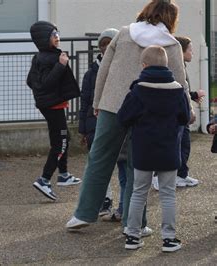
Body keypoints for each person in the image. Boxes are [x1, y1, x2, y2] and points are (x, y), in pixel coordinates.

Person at [66, 0, 193, 230]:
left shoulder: (124, 33)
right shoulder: (170, 44)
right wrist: (189, 111)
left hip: (112, 104)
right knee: (139, 166)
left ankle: (83, 213)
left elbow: (104, 69)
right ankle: (134, 224)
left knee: (99, 157)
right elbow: (180, 83)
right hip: (149, 112)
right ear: (170, 18)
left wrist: (97, 102)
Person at [118, 45, 189, 252]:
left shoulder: (138, 89)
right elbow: (184, 117)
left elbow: (123, 118)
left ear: (144, 65)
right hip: (168, 149)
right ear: (167, 64)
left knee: (139, 192)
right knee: (168, 193)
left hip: (143, 149)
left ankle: (132, 236)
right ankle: (169, 238)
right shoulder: (177, 89)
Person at [27, 21, 82, 201]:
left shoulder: (42, 56)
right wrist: (61, 65)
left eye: (57, 33)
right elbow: (45, 83)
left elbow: (31, 81)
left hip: (52, 105)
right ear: (45, 39)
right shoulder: (49, 58)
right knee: (61, 142)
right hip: (52, 106)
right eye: (53, 35)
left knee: (63, 137)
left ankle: (64, 174)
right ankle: (44, 179)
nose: (57, 37)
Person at [79, 28, 126, 221]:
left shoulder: (123, 69)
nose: (106, 48)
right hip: (95, 124)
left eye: (110, 44)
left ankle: (124, 206)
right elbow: (86, 101)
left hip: (120, 123)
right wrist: (83, 129)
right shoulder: (92, 73)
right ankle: (104, 202)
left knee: (124, 167)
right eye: (103, 45)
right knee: (99, 166)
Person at [152, 36, 204, 190]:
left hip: (181, 110)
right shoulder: (175, 67)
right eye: (190, 50)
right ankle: (158, 177)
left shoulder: (182, 66)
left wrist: (192, 96)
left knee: (183, 144)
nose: (192, 53)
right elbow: (178, 88)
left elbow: (183, 89)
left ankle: (181, 174)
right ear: (180, 51)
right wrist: (190, 104)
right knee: (171, 145)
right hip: (175, 113)